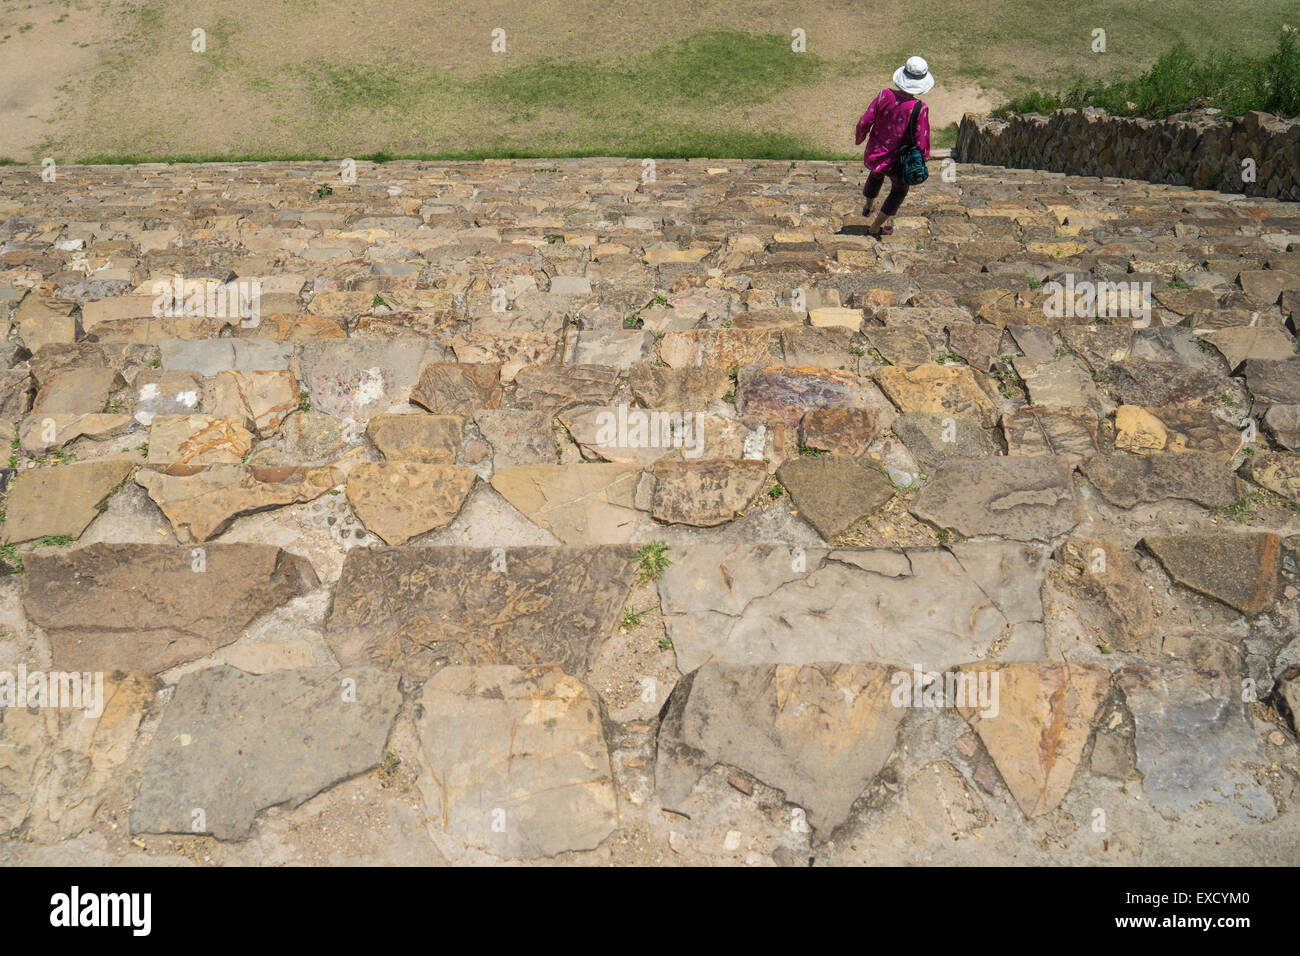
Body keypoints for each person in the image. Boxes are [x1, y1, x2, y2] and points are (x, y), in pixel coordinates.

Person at [855, 55, 933, 237]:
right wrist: (924, 156)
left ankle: (868, 206)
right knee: (899, 190)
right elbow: (921, 137)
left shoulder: (884, 95)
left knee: (875, 175)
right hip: (898, 160)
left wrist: (860, 137)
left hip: (876, 153)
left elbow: (865, 121)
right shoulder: (919, 108)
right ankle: (875, 227)